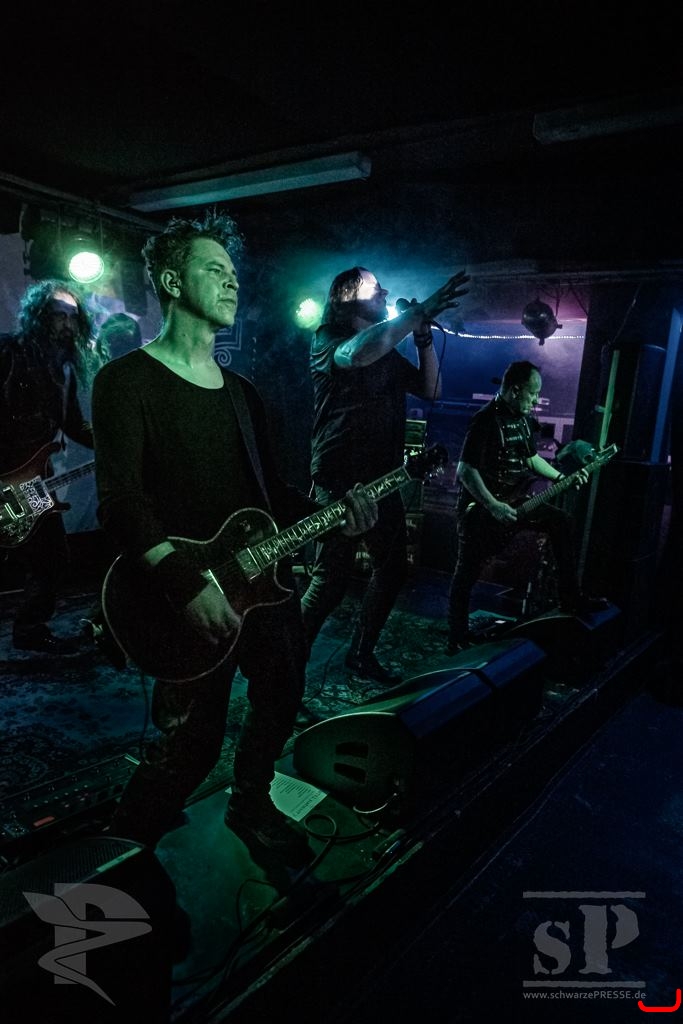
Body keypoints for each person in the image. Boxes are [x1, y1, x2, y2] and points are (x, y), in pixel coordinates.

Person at [90, 210, 377, 863]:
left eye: (233, 272)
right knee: (190, 746)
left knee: (282, 692)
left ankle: (251, 800)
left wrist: (334, 510)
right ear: (171, 281)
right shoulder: (126, 381)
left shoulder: (243, 393)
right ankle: (116, 860)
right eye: (213, 269)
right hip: (184, 592)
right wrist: (182, 581)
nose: (232, 282)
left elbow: (272, 493)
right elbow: (120, 501)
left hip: (263, 583)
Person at [300, 265, 470, 686]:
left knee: (393, 570)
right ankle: (286, 665)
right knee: (329, 583)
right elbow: (357, 355)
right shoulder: (327, 339)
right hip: (339, 480)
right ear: (345, 296)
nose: (385, 292)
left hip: (383, 480)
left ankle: (360, 654)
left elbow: (431, 389)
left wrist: (423, 337)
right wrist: (415, 314)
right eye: (375, 287)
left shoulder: (387, 351)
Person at [446, 359, 608, 655]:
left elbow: (531, 458)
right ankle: (456, 637)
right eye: (532, 394)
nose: (535, 400)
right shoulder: (485, 420)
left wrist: (561, 478)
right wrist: (493, 505)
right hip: (480, 511)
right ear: (515, 390)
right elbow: (465, 470)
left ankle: (571, 598)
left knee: (561, 521)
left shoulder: (521, 420)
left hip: (516, 503)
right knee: (467, 571)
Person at [0, 279, 96, 653]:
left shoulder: (65, 368)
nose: (67, 324)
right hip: (6, 470)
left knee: (52, 556)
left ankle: (30, 629)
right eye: (58, 315)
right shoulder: (9, 351)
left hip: (37, 480)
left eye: (73, 317)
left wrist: (112, 439)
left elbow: (72, 425)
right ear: (39, 316)